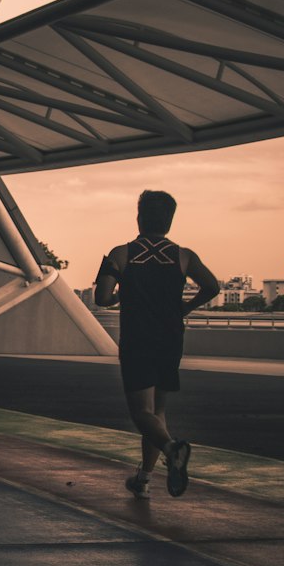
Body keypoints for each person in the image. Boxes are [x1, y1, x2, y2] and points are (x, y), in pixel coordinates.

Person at [94, 190, 219, 499]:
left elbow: (102, 298)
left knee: (140, 413)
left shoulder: (121, 254)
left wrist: (125, 292)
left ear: (139, 217)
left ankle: (172, 449)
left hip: (138, 339)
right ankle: (144, 478)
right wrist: (185, 308)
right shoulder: (184, 255)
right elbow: (212, 286)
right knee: (157, 411)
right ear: (170, 221)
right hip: (170, 338)